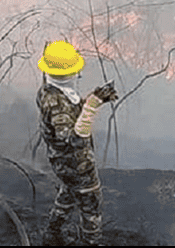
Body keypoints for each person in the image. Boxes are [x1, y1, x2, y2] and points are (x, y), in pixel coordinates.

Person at [37, 40, 118, 246]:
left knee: (69, 193)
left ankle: (52, 235)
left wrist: (93, 98)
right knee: (91, 204)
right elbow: (73, 139)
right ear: (69, 73)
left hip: (63, 163)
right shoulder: (57, 104)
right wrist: (91, 106)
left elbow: (71, 114)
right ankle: (90, 242)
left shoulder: (50, 91)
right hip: (76, 164)